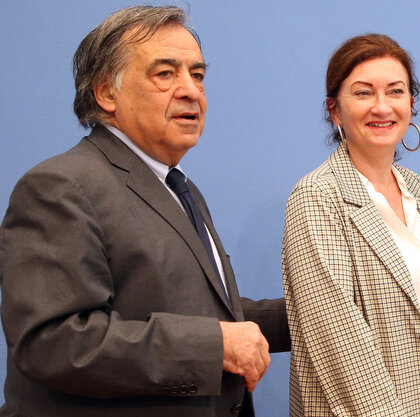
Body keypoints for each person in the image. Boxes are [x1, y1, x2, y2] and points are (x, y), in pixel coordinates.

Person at [0, 6, 289, 417]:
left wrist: (317, 313)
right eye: (165, 74)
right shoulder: (59, 186)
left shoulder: (178, 187)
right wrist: (214, 346)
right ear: (106, 93)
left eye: (198, 75)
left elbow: (209, 315)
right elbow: (53, 342)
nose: (191, 90)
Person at [281, 34, 420, 416]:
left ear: (411, 104)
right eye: (363, 93)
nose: (382, 106)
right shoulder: (317, 196)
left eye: (395, 91)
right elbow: (341, 345)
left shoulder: (417, 190)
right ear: (335, 110)